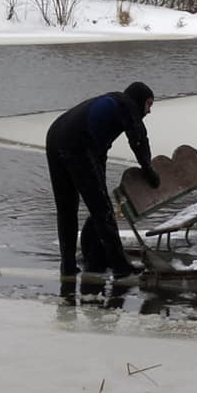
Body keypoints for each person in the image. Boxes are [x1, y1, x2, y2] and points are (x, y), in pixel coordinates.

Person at [46, 81, 160, 281]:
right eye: (149, 104)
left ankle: (69, 266)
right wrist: (149, 170)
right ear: (139, 100)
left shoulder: (110, 104)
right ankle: (120, 267)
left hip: (55, 135)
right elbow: (139, 138)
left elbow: (99, 156)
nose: (149, 111)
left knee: (68, 209)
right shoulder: (127, 104)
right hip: (76, 142)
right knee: (102, 210)